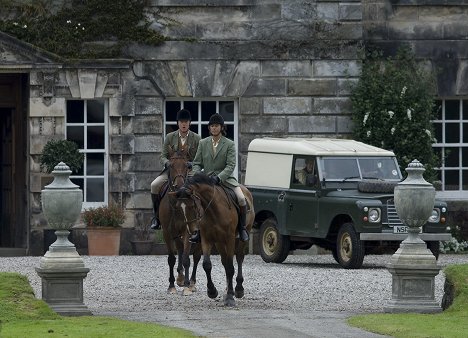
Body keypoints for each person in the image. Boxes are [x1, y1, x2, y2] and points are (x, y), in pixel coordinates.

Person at [189, 113, 249, 243]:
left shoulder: (229, 144)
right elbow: (197, 163)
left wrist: (219, 178)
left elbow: (231, 165)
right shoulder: (203, 143)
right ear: (209, 128)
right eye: (212, 126)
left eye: (216, 126)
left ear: (221, 127)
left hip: (226, 180)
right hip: (207, 180)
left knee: (241, 198)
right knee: (196, 200)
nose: (214, 128)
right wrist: (198, 175)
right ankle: (198, 230)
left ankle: (242, 228)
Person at [148, 108, 201, 230]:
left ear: (190, 123)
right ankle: (156, 218)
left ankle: (201, 218)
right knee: (154, 185)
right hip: (172, 170)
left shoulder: (197, 138)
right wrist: (166, 163)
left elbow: (200, 158)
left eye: (186, 122)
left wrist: (192, 164)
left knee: (200, 188)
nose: (183, 124)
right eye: (181, 122)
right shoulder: (170, 137)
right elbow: (162, 156)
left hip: (190, 170)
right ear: (178, 123)